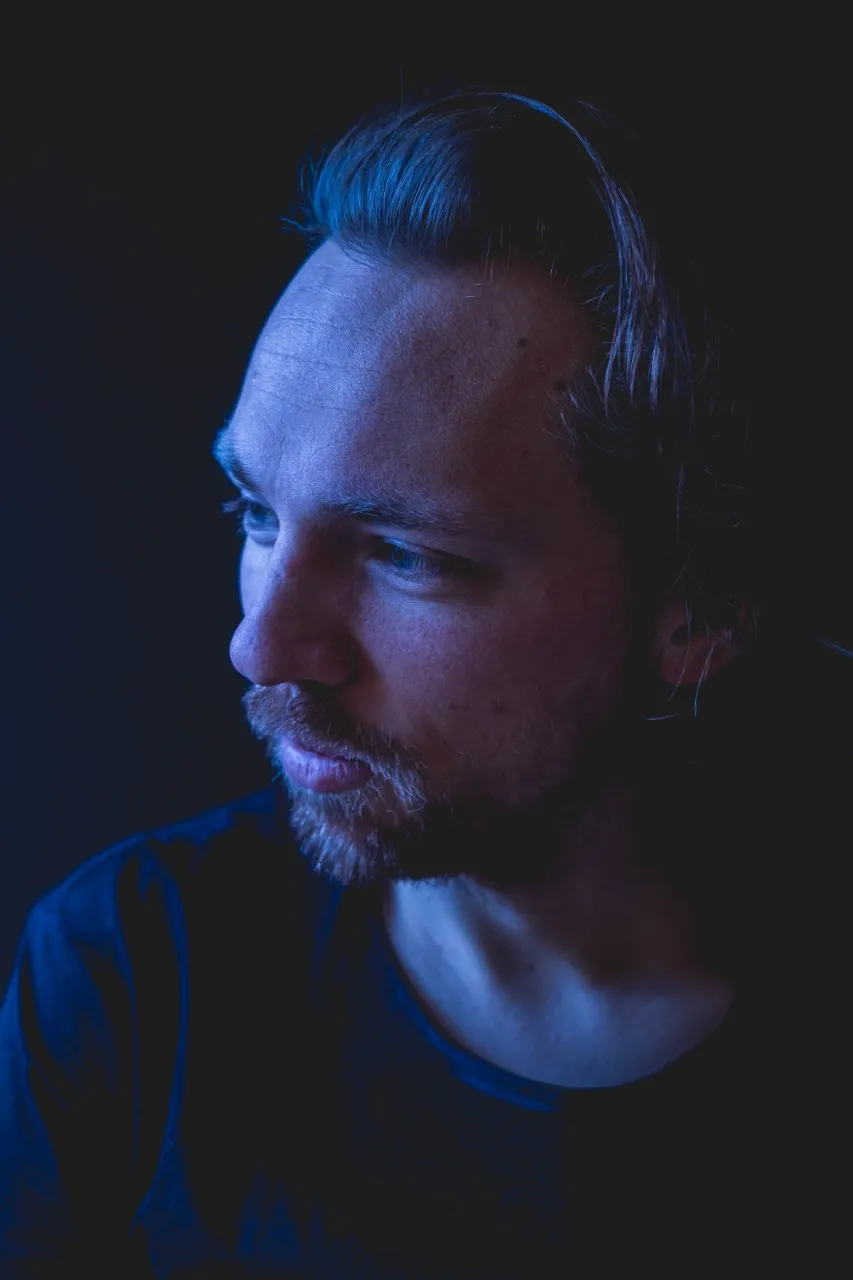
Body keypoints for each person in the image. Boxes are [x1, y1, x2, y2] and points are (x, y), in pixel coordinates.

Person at [0, 86, 840, 1277]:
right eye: (255, 512)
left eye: (406, 555)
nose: (261, 647)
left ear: (701, 611)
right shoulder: (132, 976)